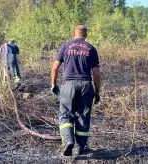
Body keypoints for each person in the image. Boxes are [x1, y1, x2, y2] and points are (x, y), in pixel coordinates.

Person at [50, 25, 101, 156]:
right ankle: (79, 148)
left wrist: (53, 84)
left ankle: (68, 141)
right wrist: (97, 91)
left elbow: (55, 68)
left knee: (65, 114)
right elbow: (96, 73)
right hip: (85, 84)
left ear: (74, 33)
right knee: (83, 116)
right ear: (86, 35)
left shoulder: (65, 46)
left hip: (68, 85)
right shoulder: (91, 48)